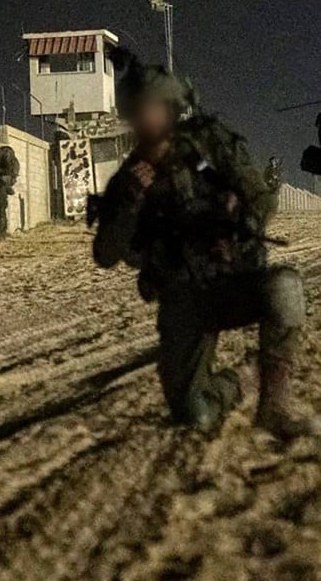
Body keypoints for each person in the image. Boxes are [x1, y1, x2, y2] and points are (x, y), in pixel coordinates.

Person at [93, 48, 319, 439]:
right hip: (183, 300)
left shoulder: (210, 149)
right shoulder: (129, 178)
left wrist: (238, 220)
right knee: (194, 414)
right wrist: (130, 201)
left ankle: (274, 407)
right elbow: (106, 254)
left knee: (285, 288)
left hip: (231, 282)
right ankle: (243, 378)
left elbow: (261, 198)